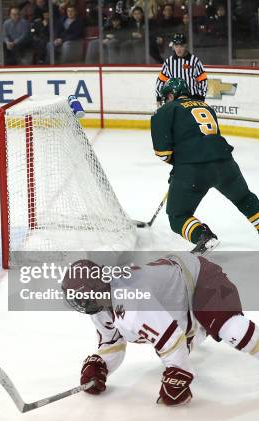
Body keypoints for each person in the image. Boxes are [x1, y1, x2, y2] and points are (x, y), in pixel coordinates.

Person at [61, 253, 259, 406]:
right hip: (178, 308)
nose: (80, 304)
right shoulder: (99, 304)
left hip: (200, 278)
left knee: (231, 329)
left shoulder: (131, 299)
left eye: (82, 298)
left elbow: (171, 339)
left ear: (97, 290)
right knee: (183, 343)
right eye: (76, 299)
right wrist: (101, 366)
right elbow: (112, 341)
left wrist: (179, 372)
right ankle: (201, 327)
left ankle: (205, 325)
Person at [151, 78, 259, 254]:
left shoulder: (164, 111)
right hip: (225, 163)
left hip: (193, 171)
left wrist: (180, 168)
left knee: (178, 217)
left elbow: (163, 153)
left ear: (171, 95)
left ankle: (203, 236)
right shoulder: (205, 106)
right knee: (244, 198)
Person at [155, 33, 208, 103]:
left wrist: (201, 97)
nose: (179, 49)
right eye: (176, 46)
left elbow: (203, 80)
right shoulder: (169, 62)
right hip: (174, 100)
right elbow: (161, 81)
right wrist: (159, 97)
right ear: (173, 46)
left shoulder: (195, 61)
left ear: (186, 46)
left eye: (181, 46)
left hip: (192, 99)